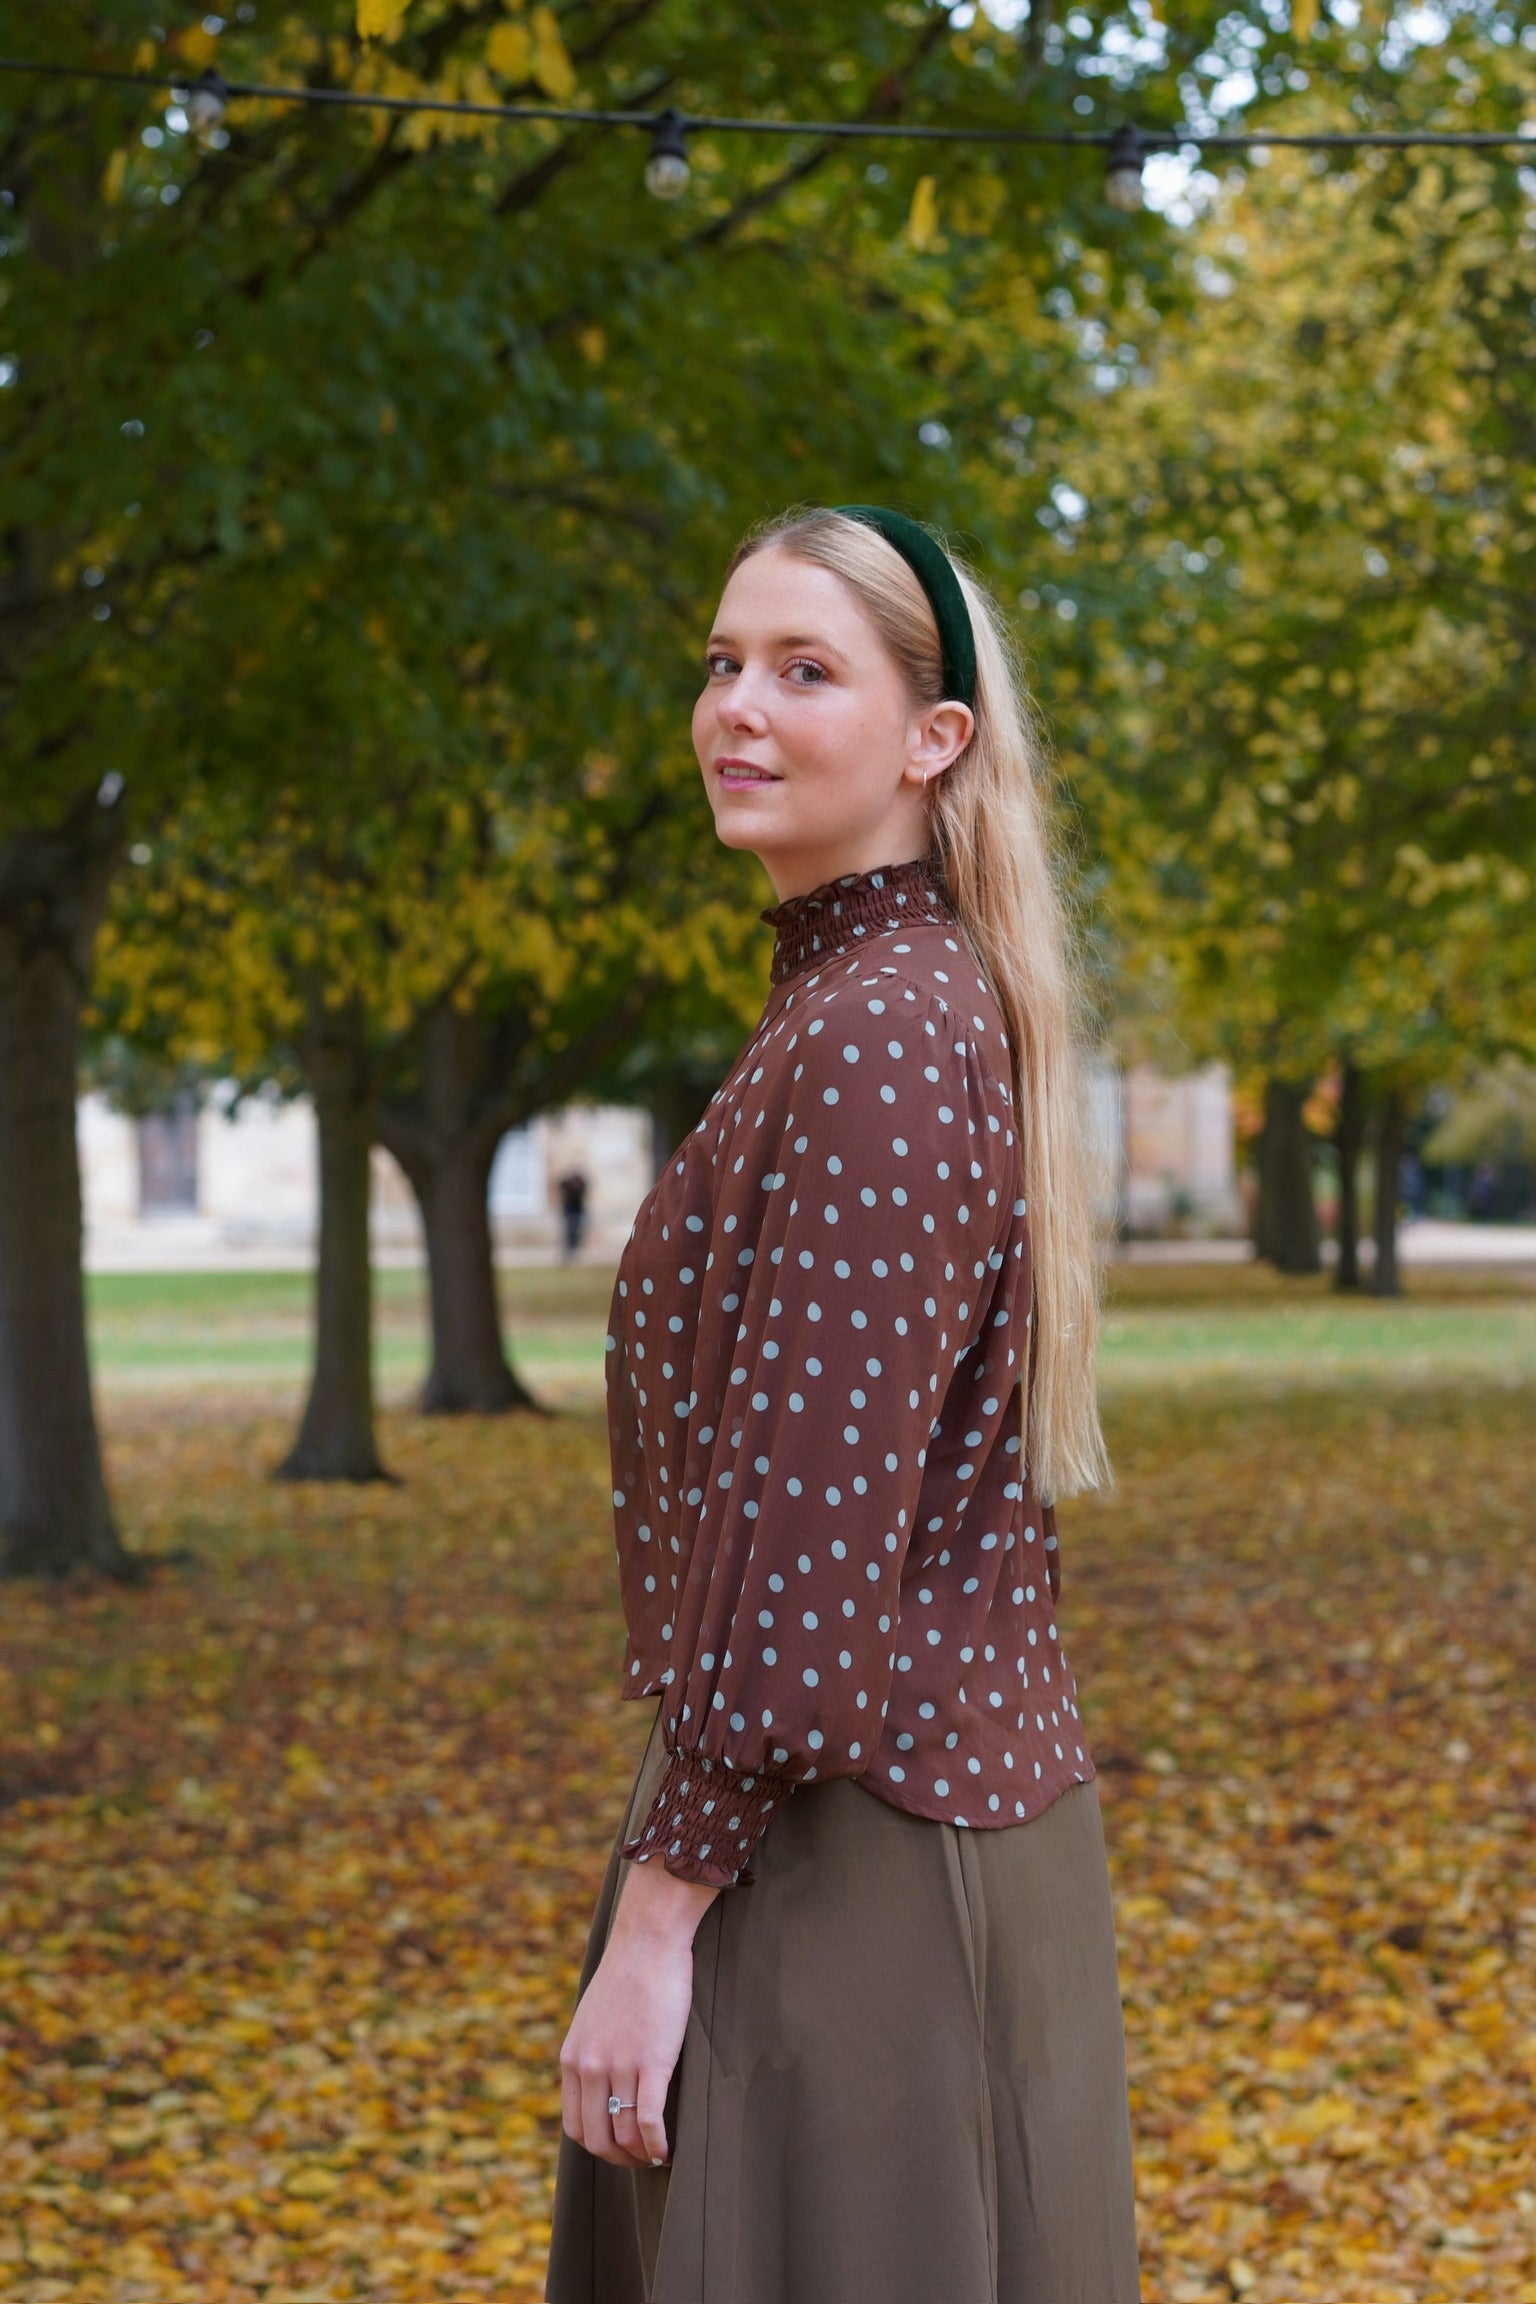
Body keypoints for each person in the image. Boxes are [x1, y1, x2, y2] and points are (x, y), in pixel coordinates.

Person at [545, 506, 1139, 2304]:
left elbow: (809, 1555)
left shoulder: (882, 1022)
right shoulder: (866, 1000)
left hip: (851, 1869)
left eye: (807, 669)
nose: (738, 704)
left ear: (930, 736)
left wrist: (658, 1918)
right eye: (723, 661)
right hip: (843, 1834)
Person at [557, 1168, 590, 1261]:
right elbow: (561, 1185)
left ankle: (574, 1252)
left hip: (577, 1211)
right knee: (568, 1233)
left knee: (577, 1233)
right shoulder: (568, 1184)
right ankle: (568, 1253)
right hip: (569, 1211)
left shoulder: (581, 1184)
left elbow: (584, 1189)